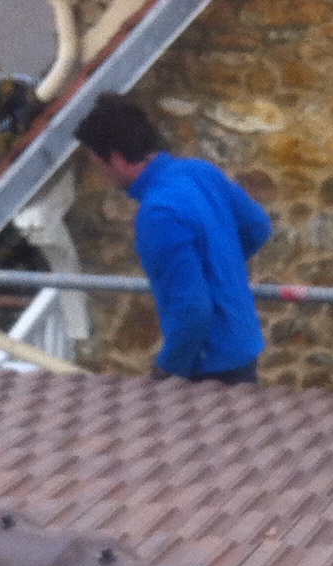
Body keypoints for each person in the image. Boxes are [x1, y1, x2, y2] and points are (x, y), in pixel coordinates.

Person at [74, 94, 271, 385]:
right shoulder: (201, 172)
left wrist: (168, 369)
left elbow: (192, 308)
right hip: (243, 347)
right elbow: (258, 227)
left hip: (209, 366)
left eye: (99, 165)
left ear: (115, 159)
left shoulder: (159, 214)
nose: (103, 175)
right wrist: (219, 268)